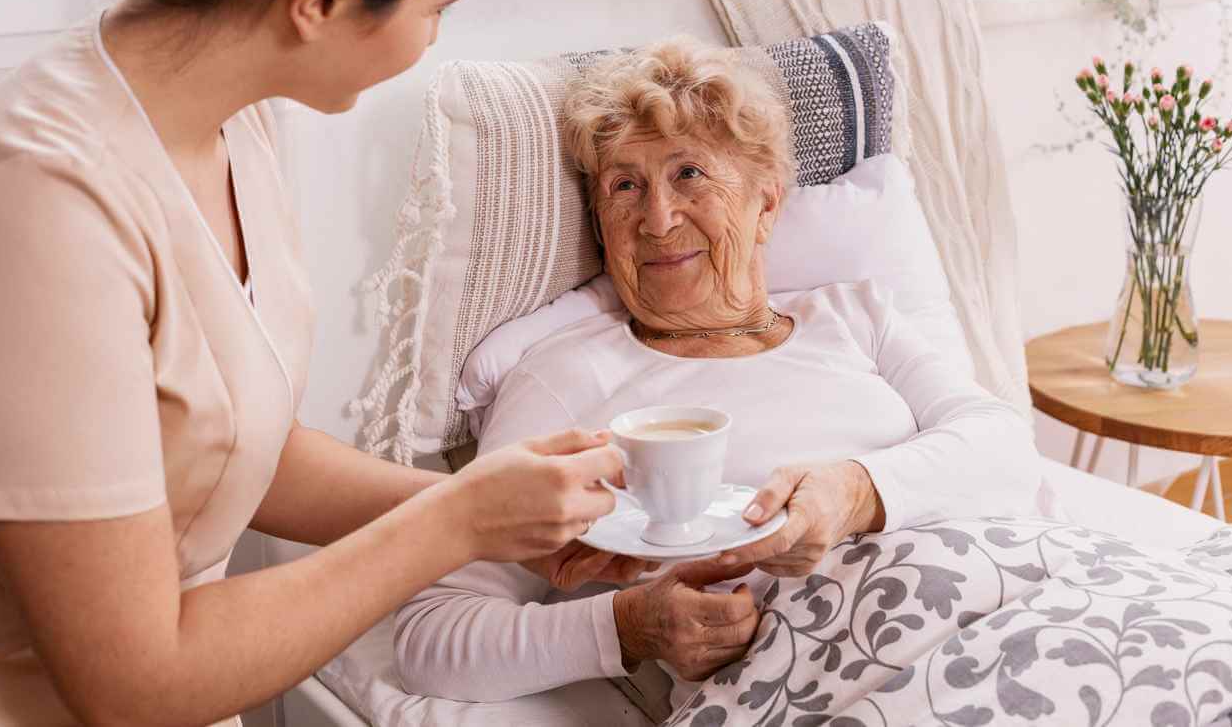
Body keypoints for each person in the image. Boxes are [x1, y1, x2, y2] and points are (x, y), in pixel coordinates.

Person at [0, 0, 640, 725]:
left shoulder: (231, 116)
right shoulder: (45, 201)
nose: (436, 37)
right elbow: (131, 683)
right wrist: (455, 522)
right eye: (439, 9)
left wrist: (511, 510)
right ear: (323, 4)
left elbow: (231, 449)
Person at [393, 37, 1044, 704]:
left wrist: (852, 493)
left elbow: (1006, 452)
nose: (658, 217)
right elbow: (432, 639)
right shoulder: (565, 376)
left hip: (1029, 615)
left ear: (766, 203)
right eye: (624, 187)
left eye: (689, 175)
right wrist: (627, 627)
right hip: (857, 681)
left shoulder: (857, 314)